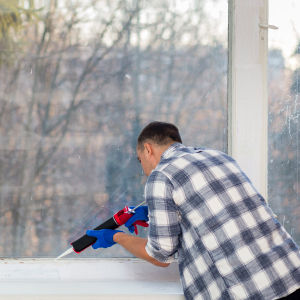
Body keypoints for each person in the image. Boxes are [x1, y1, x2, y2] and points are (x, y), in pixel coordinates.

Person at [86, 121, 300, 300]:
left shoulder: (161, 176)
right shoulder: (219, 157)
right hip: (291, 272)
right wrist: (154, 215)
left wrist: (116, 237)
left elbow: (160, 256)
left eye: (139, 159)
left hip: (250, 291)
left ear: (148, 149)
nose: (143, 169)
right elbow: (216, 214)